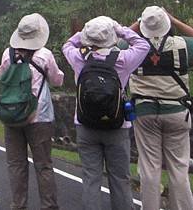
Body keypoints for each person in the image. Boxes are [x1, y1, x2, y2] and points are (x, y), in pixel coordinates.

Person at [62, 16, 149, 210]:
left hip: (85, 125)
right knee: (120, 179)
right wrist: (120, 29)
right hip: (117, 126)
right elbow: (142, 44)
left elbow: (67, 44)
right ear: (112, 37)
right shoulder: (124, 59)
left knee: (91, 178)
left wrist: (84, 32)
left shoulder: (78, 57)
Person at [129, 6, 193, 210]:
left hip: (145, 111)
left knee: (149, 168)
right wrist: (173, 19)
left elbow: (118, 38)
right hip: (177, 111)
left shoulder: (136, 46)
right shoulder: (181, 45)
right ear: (166, 24)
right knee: (179, 168)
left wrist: (141, 20)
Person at [0, 13, 64, 210]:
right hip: (40, 116)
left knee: (16, 165)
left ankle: (18, 205)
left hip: (11, 114)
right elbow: (56, 80)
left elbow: (2, 76)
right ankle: (49, 206)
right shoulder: (44, 55)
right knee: (43, 165)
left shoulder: (7, 54)